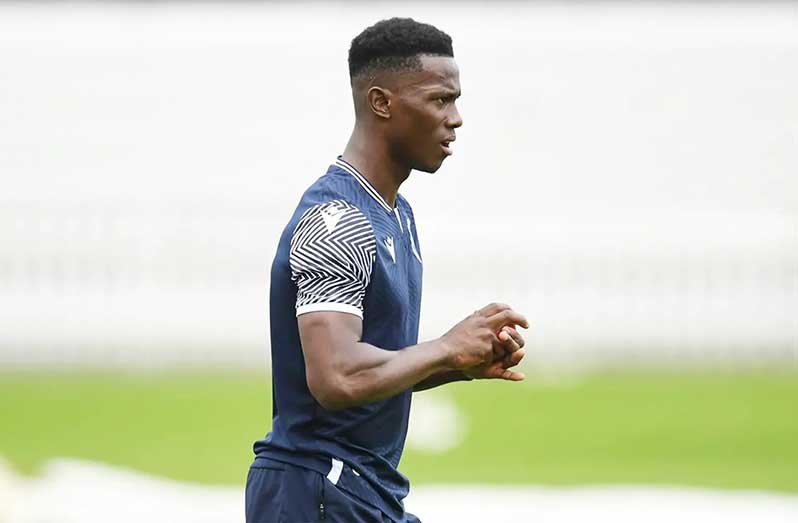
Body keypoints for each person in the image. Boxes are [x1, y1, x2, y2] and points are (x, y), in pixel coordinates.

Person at [246, 17, 529, 523]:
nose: (456, 118)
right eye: (441, 100)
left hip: (357, 489)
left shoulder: (397, 215)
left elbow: (372, 369)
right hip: (317, 486)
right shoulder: (338, 221)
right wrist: (442, 347)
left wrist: (453, 367)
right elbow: (336, 377)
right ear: (382, 103)